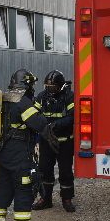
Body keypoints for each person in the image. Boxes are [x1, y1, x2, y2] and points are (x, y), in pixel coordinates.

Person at [0, 69, 59, 221]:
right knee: (24, 189)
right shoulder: (23, 102)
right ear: (26, 84)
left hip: (4, 152)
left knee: (4, 187)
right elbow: (39, 123)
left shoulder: (4, 99)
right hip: (19, 153)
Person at [32, 70, 76, 212]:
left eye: (53, 88)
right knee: (44, 170)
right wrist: (42, 126)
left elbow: (72, 117)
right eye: (47, 87)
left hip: (64, 142)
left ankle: (67, 199)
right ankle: (45, 199)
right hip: (46, 141)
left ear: (61, 86)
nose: (50, 90)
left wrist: (55, 125)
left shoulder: (69, 96)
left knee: (65, 172)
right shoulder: (41, 97)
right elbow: (34, 114)